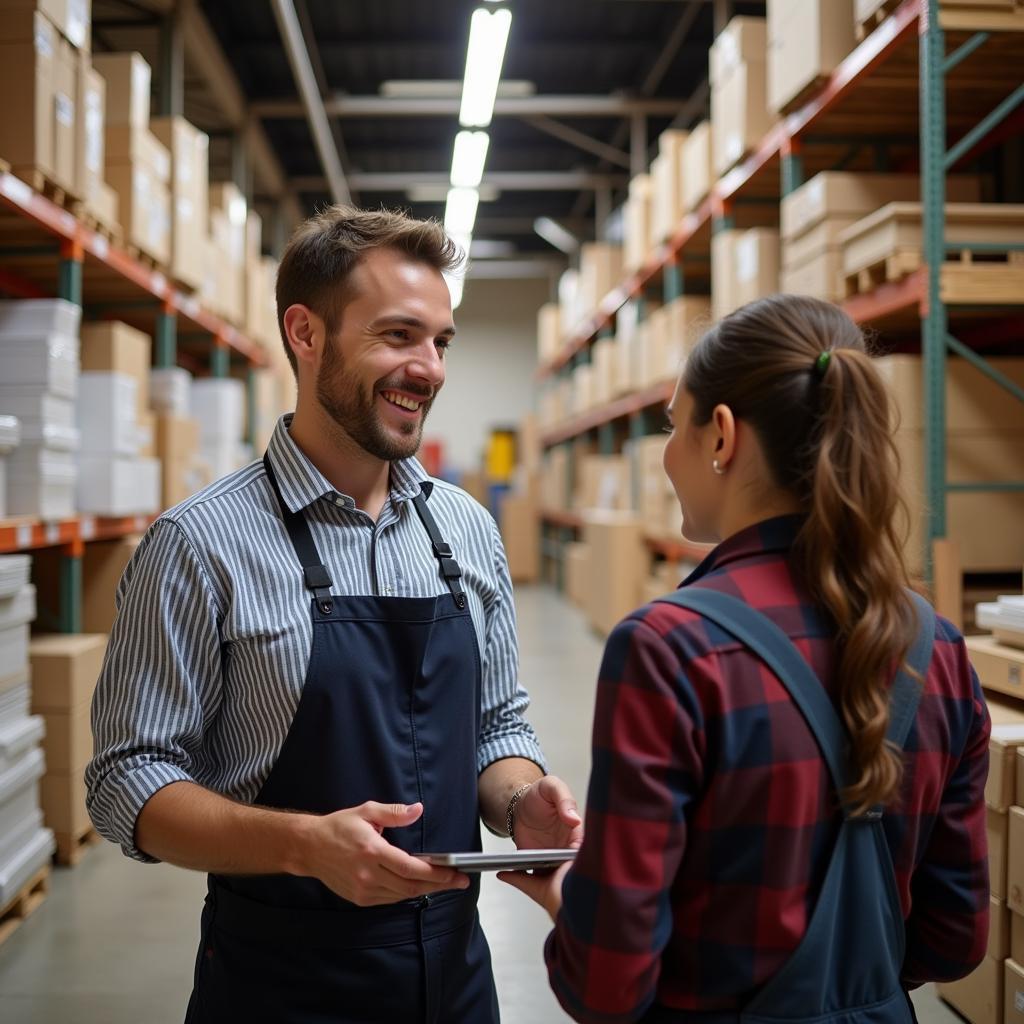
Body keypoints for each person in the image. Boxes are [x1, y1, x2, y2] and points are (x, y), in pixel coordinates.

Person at [86, 206, 582, 1024]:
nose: (429, 368)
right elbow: (126, 779)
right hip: (283, 983)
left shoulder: (464, 530)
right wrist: (301, 846)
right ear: (305, 333)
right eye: (398, 336)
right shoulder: (201, 543)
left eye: (441, 342)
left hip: (457, 981)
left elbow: (496, 727)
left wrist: (519, 800)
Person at [502, 295, 990, 1023]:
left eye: (674, 425)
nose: (667, 454)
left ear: (721, 436)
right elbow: (952, 944)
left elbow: (607, 986)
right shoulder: (935, 648)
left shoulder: (669, 650)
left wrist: (569, 897)